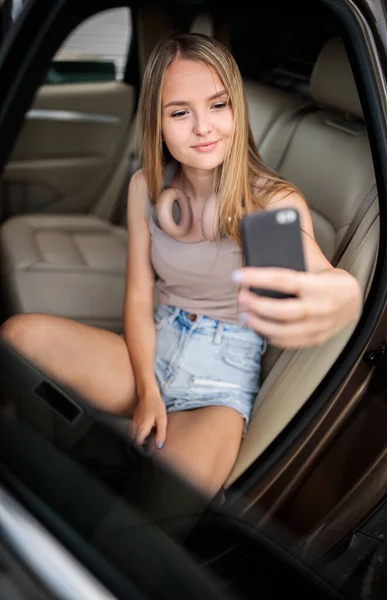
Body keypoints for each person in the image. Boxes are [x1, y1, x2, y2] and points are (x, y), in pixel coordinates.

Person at [0, 33, 362, 497]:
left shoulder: (267, 202)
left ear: (237, 108)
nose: (203, 128)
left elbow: (323, 275)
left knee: (135, 535)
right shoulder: (145, 189)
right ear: (157, 122)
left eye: (218, 105)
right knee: (18, 338)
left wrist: (345, 295)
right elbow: (137, 294)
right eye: (179, 112)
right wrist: (148, 391)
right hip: (155, 348)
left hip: (220, 383)